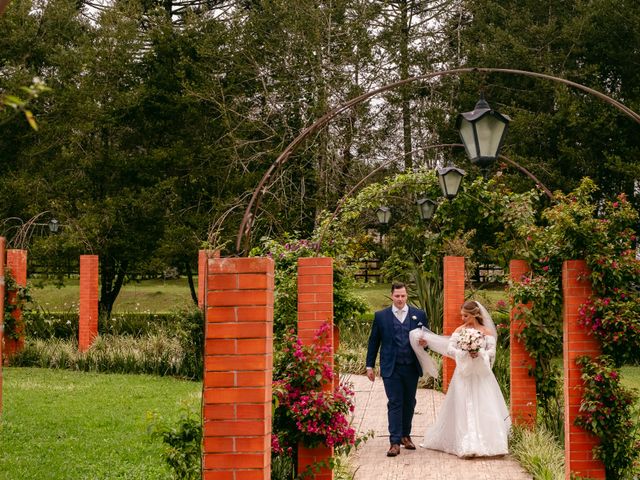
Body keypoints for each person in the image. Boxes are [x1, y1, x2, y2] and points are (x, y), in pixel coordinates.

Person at [409, 300, 511, 458]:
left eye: (465, 315)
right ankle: (466, 443)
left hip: (481, 375)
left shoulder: (486, 332)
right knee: (463, 405)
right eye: (462, 315)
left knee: (484, 405)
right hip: (463, 373)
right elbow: (450, 349)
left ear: (475, 315)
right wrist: (464, 352)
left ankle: (491, 443)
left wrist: (479, 353)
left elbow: (492, 351)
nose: (462, 318)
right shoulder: (460, 330)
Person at [365, 281, 429, 457]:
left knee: (409, 402)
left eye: (403, 296)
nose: (400, 299)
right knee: (395, 402)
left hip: (411, 366)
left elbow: (426, 340)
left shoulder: (419, 315)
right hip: (391, 367)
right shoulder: (381, 316)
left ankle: (405, 435)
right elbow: (373, 342)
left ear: (406, 296)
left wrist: (425, 343)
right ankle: (394, 442)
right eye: (397, 296)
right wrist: (369, 365)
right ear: (392, 295)